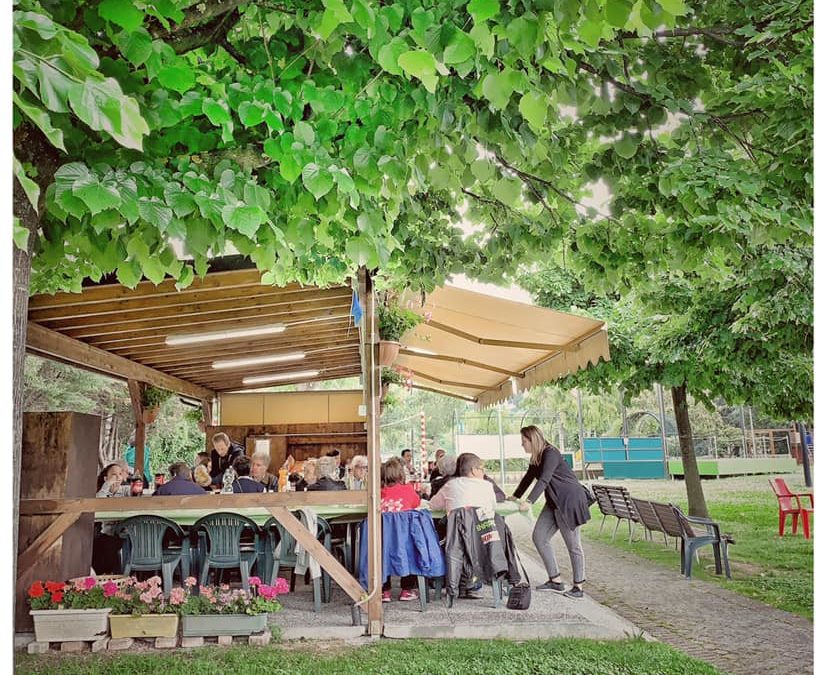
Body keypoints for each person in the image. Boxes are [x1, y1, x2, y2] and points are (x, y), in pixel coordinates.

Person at [510, 425, 591, 600]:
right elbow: (529, 477)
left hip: (568, 500)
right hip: (554, 500)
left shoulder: (550, 453)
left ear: (533, 440)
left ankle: (578, 587)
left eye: (524, 441)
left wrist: (529, 501)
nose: (522, 445)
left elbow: (544, 479)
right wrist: (516, 496)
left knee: (573, 544)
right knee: (539, 536)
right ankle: (555, 580)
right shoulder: (537, 457)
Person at [380, 458, 420, 602]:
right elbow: (416, 503)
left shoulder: (378, 492)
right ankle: (407, 590)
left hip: (383, 540)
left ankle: (384, 591)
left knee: (381, 554)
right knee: (411, 550)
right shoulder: (408, 490)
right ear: (401, 474)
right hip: (405, 539)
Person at [427, 453, 497, 516]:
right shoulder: (487, 486)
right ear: (473, 470)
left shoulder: (450, 485)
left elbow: (432, 506)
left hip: (457, 529)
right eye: (481, 469)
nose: (483, 472)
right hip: (484, 528)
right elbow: (493, 506)